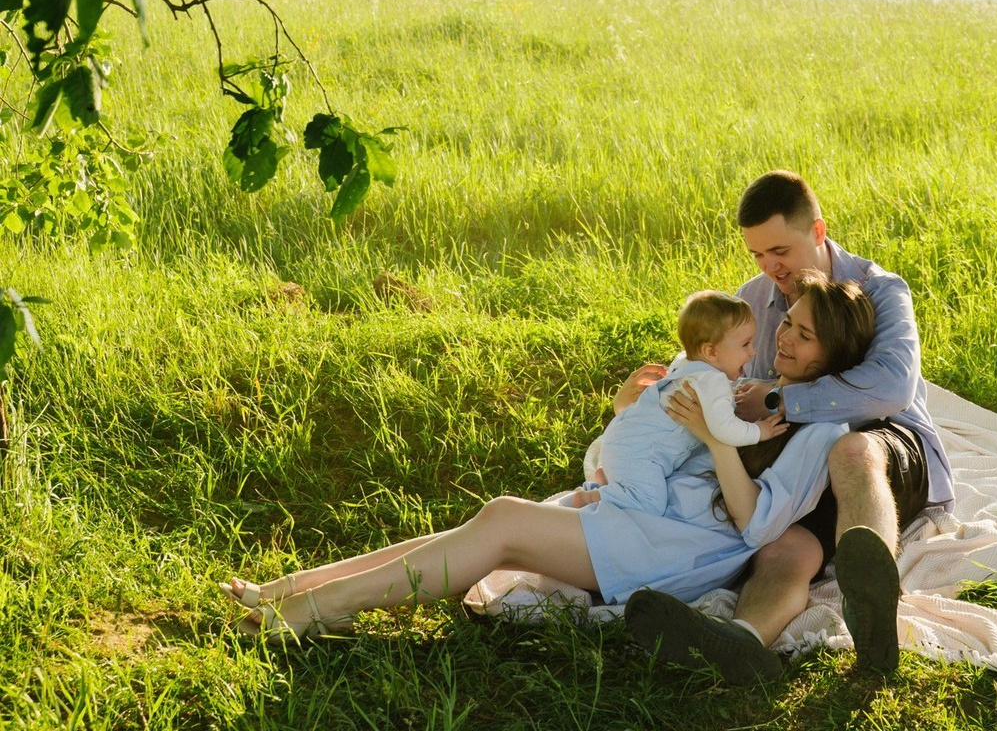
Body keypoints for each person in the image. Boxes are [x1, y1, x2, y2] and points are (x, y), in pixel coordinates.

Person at [218, 271, 876, 666]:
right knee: (482, 530)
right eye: (788, 323)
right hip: (635, 513)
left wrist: (716, 439)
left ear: (834, 355)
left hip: (677, 546)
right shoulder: (748, 383)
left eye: (805, 335)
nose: (784, 338)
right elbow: (658, 443)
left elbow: (758, 527)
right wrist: (633, 412)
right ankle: (292, 590)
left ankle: (313, 611)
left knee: (502, 520)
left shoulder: (824, 430)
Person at [618, 171, 955, 681]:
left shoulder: (879, 290)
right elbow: (718, 378)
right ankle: (743, 640)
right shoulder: (753, 298)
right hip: (794, 457)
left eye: (780, 250)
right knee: (787, 546)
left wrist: (779, 398)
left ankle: (874, 609)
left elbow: (891, 388)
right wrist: (643, 404)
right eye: (757, 254)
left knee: (852, 451)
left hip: (882, 440)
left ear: (818, 231)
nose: (769, 267)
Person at [580, 290, 788, 514]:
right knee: (649, 504)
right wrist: (760, 431)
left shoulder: (686, 365)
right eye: (745, 344)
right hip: (640, 454)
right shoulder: (712, 380)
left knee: (646, 490)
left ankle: (611, 481)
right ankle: (593, 497)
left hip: (626, 443)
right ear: (711, 352)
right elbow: (725, 430)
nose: (753, 352)